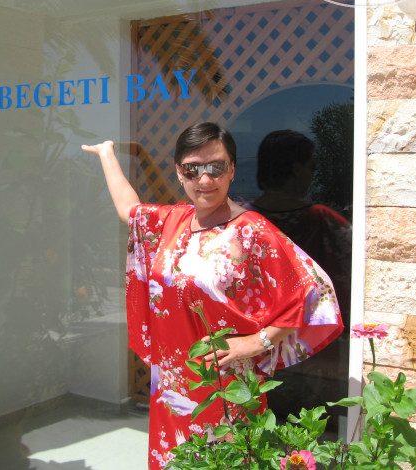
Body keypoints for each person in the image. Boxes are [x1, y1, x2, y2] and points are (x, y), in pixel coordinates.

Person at [82, 122, 343, 470]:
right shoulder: (173, 221)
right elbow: (129, 210)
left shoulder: (251, 230)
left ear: (232, 169)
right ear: (179, 172)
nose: (204, 179)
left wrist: (255, 343)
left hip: (225, 386)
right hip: (172, 386)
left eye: (216, 167)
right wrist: (107, 154)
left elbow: (314, 293)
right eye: (193, 169)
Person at [241, 129, 352, 430]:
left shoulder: (239, 222)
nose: (313, 175)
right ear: (296, 169)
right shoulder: (322, 220)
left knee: (252, 428)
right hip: (309, 351)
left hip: (250, 347)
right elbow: (346, 283)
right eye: (312, 167)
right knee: (309, 433)